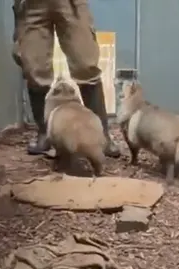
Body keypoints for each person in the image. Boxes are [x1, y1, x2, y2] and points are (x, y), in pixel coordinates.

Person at [11, 0, 120, 157]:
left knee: (85, 65)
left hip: (71, 3)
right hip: (31, 5)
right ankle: (45, 133)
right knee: (35, 68)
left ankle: (102, 136)